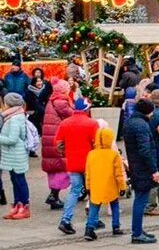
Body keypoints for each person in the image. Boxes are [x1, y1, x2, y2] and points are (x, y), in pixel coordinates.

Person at [54, 96, 99, 234]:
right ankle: (93, 221)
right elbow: (97, 144)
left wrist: (65, 153)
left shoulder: (65, 123)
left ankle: (65, 220)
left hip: (73, 162)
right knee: (93, 192)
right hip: (89, 162)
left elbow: (59, 143)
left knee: (74, 191)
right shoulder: (92, 123)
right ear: (87, 109)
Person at [122, 98, 159, 244]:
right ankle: (137, 233)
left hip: (135, 165)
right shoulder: (141, 125)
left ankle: (138, 229)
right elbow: (145, 150)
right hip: (142, 167)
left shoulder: (130, 122)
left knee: (140, 199)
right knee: (141, 200)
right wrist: (154, 170)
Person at [83, 127, 125, 240]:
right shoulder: (114, 155)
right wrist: (122, 186)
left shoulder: (91, 154)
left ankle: (89, 228)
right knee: (114, 205)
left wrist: (88, 186)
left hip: (96, 186)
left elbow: (88, 172)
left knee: (94, 207)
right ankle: (116, 227)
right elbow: (118, 173)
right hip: (110, 185)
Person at [0, 94, 29, 220]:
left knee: (20, 180)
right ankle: (17, 205)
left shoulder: (15, 118)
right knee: (14, 180)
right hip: (12, 154)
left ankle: (24, 206)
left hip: (16, 154)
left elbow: (13, 139)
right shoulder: (12, 116)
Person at [40, 79, 73, 209]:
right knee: (62, 167)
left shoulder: (52, 100)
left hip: (49, 139)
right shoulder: (61, 101)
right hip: (58, 139)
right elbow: (72, 114)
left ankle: (54, 195)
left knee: (54, 168)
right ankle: (54, 195)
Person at [23, 72, 49, 137]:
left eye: (41, 81)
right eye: (37, 82)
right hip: (33, 113)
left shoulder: (45, 91)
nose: (40, 83)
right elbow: (29, 103)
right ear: (34, 83)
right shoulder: (29, 92)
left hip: (44, 113)